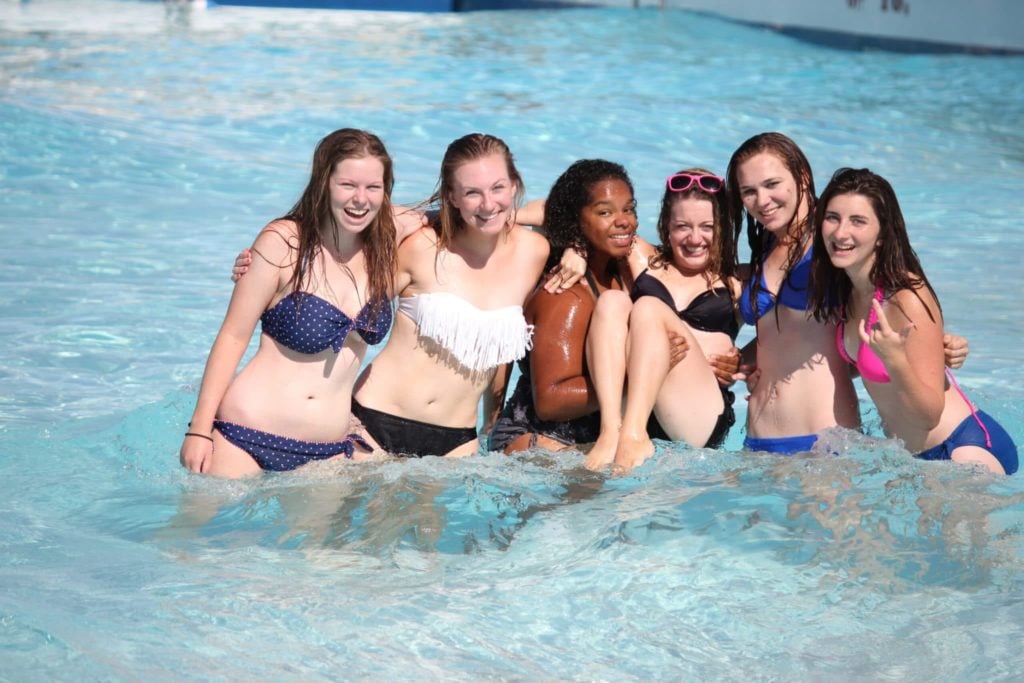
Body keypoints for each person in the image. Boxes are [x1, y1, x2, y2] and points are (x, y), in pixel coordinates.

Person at [723, 132, 969, 455]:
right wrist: (738, 362)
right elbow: (792, 336)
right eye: (749, 192)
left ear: (802, 175)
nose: (762, 200)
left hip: (824, 439)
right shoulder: (768, 244)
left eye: (772, 184)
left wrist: (937, 342)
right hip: (758, 437)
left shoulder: (836, 243)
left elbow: (891, 299)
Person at [179, 128, 398, 477]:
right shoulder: (284, 243)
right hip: (245, 437)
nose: (360, 199)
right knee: (202, 533)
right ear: (323, 182)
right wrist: (199, 429)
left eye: (373, 187)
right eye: (347, 185)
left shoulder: (387, 246)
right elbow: (233, 337)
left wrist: (515, 216)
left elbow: (462, 214)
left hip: (326, 450)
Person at [349, 133, 551, 458]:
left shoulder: (534, 253)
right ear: (452, 197)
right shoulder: (421, 246)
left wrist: (492, 424)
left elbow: (499, 347)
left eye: (498, 188)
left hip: (457, 442)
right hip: (374, 424)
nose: (487, 204)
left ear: (514, 185)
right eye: (472, 193)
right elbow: (352, 321)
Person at [809, 168, 1017, 475]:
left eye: (858, 221)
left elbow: (928, 416)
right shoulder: (849, 292)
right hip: (911, 457)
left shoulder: (906, 297)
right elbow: (862, 360)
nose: (840, 233)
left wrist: (896, 362)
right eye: (832, 217)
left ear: (882, 235)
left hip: (961, 449)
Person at [489, 159, 696, 460]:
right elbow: (550, 400)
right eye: (605, 212)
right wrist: (641, 373)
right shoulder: (565, 294)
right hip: (539, 445)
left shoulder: (620, 274)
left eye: (629, 208)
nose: (624, 220)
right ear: (577, 221)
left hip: (578, 445)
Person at [587, 168, 742, 472]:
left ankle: (632, 434)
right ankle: (610, 430)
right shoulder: (644, 259)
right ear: (666, 226)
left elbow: (788, 328)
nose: (695, 238)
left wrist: (742, 362)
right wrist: (575, 251)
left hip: (696, 414)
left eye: (707, 227)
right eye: (682, 226)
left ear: (722, 227)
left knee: (646, 307)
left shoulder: (738, 282)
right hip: (641, 407)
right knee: (613, 301)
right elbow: (565, 210)